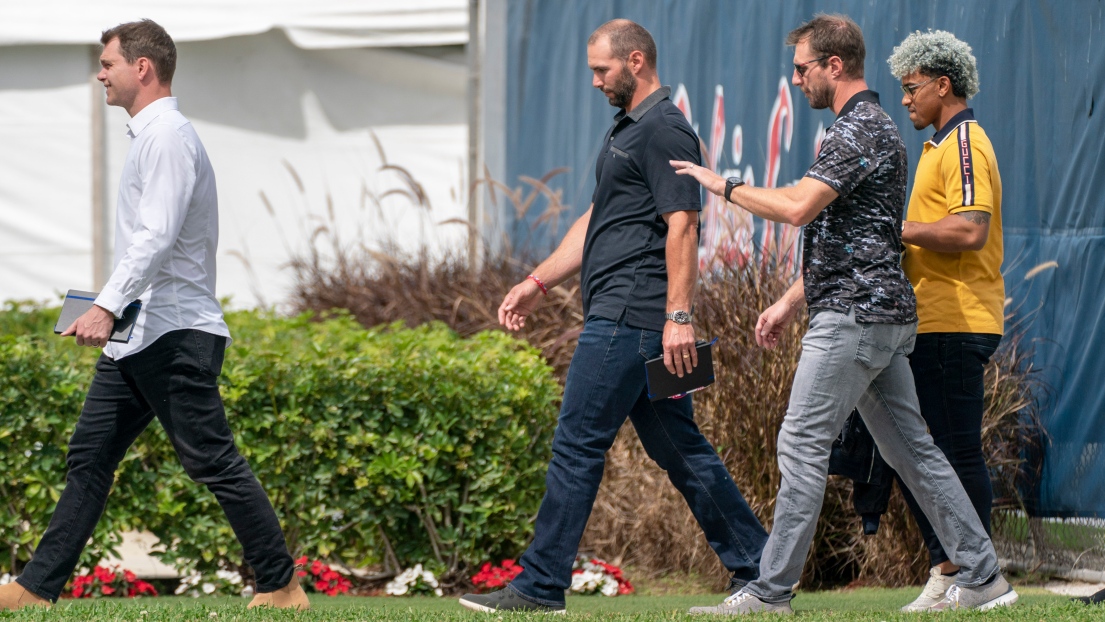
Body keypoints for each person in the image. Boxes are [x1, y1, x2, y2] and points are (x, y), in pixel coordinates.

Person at [672, 14, 1016, 615]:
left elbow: (800, 208)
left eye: (802, 69)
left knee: (802, 443)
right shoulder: (868, 129)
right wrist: (787, 301)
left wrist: (720, 184)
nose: (797, 79)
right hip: (876, 317)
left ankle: (770, 592)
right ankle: (984, 575)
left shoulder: (863, 129)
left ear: (835, 66)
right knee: (913, 451)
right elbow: (856, 240)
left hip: (855, 321)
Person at [457, 18, 768, 614]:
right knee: (682, 449)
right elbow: (595, 220)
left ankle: (540, 587)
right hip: (641, 321)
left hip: (631, 320)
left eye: (602, 70)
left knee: (576, 444)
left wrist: (680, 316)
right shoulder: (628, 130)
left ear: (635, 61)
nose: (596, 81)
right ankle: (759, 569)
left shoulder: (664, 130)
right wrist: (535, 282)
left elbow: (685, 222)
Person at [0, 20, 307, 612]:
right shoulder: (151, 137)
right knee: (89, 457)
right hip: (141, 334)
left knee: (213, 460)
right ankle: (36, 590)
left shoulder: (166, 136)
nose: (99, 73)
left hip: (173, 334)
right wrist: (115, 313)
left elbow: (157, 235)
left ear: (142, 67)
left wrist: (105, 305)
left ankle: (281, 585)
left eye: (107, 63)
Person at [886, 29, 1006, 612]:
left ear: (943, 84)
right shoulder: (937, 146)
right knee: (921, 451)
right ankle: (949, 568)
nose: (905, 100)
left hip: (957, 319)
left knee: (955, 452)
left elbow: (969, 229)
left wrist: (897, 230)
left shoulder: (964, 142)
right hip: (930, 321)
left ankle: (977, 578)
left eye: (911, 88)